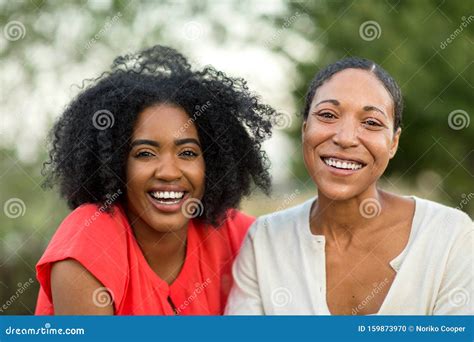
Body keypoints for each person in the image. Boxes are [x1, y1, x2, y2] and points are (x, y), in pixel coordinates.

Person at [35, 45, 279, 315]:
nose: (169, 172)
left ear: (210, 164)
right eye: (145, 153)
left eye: (187, 153)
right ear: (117, 165)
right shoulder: (89, 240)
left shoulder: (239, 236)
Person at [225, 57, 473, 315]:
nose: (345, 138)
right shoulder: (265, 241)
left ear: (393, 143)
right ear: (305, 129)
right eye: (328, 115)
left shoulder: (451, 236)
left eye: (371, 122)